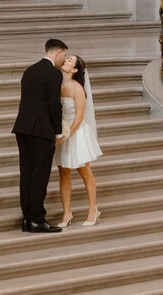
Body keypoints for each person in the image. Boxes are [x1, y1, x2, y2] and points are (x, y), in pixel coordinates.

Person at [12, 38, 67, 233]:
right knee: (39, 176)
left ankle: (27, 218)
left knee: (26, 173)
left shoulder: (30, 71)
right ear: (58, 52)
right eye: (64, 56)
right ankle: (37, 218)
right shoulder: (53, 73)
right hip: (41, 131)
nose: (64, 60)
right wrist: (58, 130)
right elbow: (54, 104)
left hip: (22, 128)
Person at [56, 54, 102, 226]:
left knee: (85, 173)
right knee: (64, 173)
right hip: (63, 133)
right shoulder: (58, 85)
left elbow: (79, 117)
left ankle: (93, 210)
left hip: (76, 133)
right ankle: (67, 213)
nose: (65, 61)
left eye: (70, 61)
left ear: (74, 69)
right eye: (66, 58)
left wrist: (67, 135)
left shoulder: (77, 88)